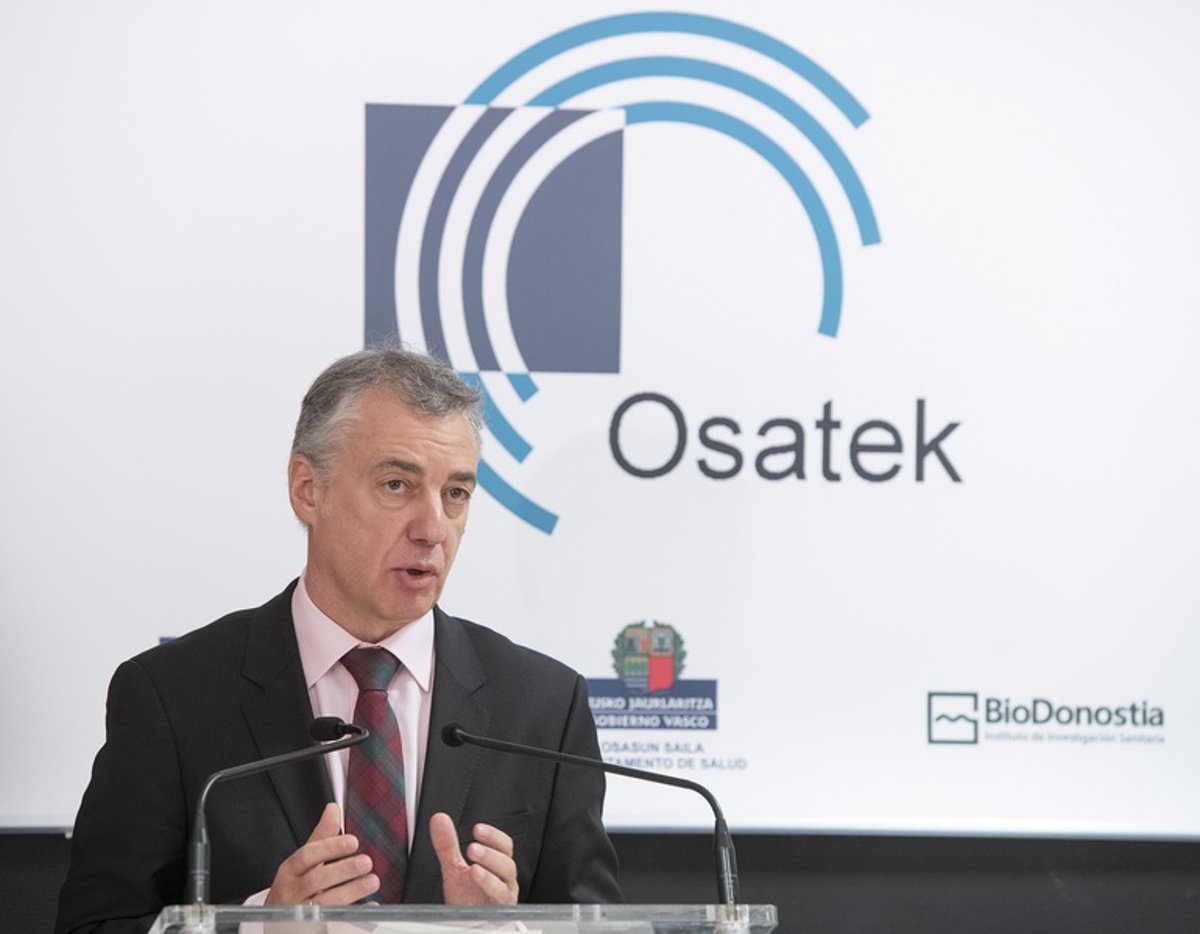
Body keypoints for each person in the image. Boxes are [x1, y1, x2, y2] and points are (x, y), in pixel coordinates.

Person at [56, 347, 621, 934]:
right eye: (397, 484)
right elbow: (91, 926)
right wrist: (254, 926)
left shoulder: (542, 708)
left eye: (455, 493)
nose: (433, 529)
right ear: (308, 489)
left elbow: (599, 924)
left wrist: (513, 931)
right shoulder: (173, 697)